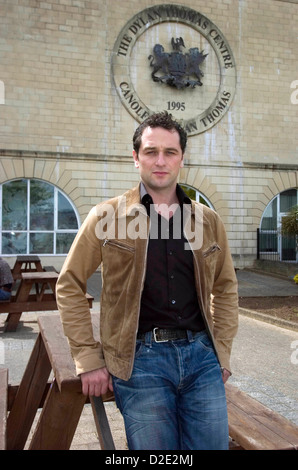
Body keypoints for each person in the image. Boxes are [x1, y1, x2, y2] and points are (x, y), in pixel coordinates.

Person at [56, 111, 238, 450]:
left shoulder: (206, 220)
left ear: (182, 158)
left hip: (202, 358)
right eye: (151, 151)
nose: (160, 161)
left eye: (170, 152)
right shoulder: (108, 216)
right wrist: (88, 357)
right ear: (135, 157)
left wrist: (222, 353)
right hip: (140, 360)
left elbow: (226, 287)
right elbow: (69, 284)